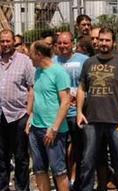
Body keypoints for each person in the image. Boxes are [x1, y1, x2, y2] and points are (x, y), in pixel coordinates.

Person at [75, 28, 118, 191]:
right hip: (92, 120)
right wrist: (80, 112)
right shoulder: (89, 63)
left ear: (113, 42)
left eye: (107, 40)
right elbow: (82, 88)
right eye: (101, 40)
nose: (103, 43)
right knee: (87, 162)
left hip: (117, 120)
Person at [0, 29, 34, 191]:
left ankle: (21, 188)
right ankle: (3, 187)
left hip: (19, 115)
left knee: (20, 157)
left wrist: (28, 112)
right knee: (1, 157)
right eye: (2, 41)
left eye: (8, 41)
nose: (5, 44)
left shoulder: (25, 61)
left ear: (13, 41)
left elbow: (31, 88)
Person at [27, 41, 72, 191]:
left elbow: (66, 102)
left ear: (39, 54)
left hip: (53, 131)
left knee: (58, 171)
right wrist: (30, 116)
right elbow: (37, 96)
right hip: (36, 128)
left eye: (31, 54)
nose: (29, 57)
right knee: (39, 170)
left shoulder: (58, 72)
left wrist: (54, 128)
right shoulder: (38, 72)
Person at [53, 31, 89, 183]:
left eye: (65, 43)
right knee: (59, 152)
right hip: (58, 114)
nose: (62, 46)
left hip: (77, 113)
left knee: (78, 150)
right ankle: (63, 182)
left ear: (72, 44)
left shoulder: (84, 60)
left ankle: (78, 181)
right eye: (59, 43)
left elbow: (88, 84)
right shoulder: (52, 61)